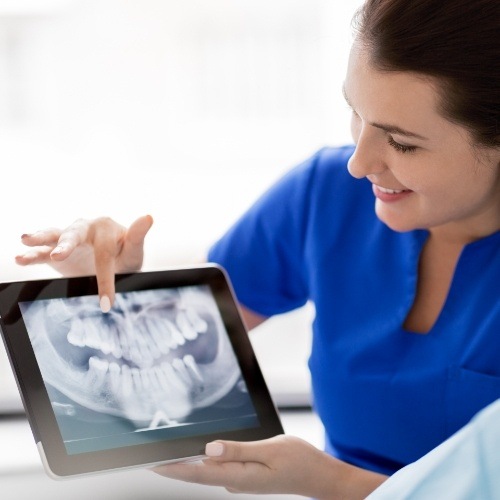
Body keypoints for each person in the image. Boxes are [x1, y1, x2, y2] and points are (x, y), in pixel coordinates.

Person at [16, 0, 499, 497]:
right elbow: (171, 357)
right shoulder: (324, 196)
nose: (359, 163)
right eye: (356, 113)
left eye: (402, 143)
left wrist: (329, 481)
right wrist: (96, 294)